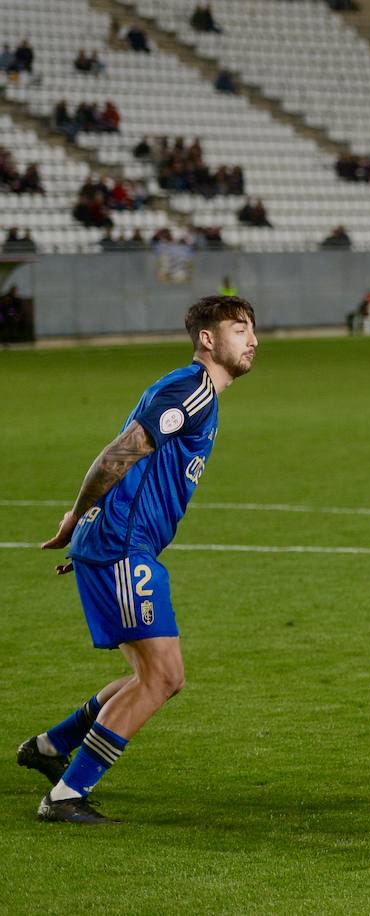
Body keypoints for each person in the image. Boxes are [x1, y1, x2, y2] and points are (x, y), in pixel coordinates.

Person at [19, 296, 258, 823]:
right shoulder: (191, 390)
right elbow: (118, 454)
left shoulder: (198, 395)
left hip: (117, 543)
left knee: (151, 674)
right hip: (122, 545)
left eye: (253, 331)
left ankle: (52, 747)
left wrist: (86, 532)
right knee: (162, 677)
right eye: (240, 329)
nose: (253, 340)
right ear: (208, 339)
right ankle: (65, 795)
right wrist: (76, 519)